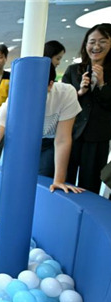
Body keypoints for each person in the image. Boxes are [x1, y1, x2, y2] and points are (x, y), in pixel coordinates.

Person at [0, 64, 84, 194]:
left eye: (36, 89)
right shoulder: (13, 102)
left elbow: (62, 139)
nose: (29, 95)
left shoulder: (65, 93)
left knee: (44, 179)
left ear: (50, 84)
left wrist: (59, 180)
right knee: (17, 179)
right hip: (23, 141)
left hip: (50, 141)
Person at [62, 23, 111, 194]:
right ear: (85, 45)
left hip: (98, 138)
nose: (96, 46)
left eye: (103, 41)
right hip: (70, 134)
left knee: (89, 186)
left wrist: (103, 84)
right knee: (63, 180)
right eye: (92, 41)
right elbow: (62, 101)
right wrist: (80, 91)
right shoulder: (73, 70)